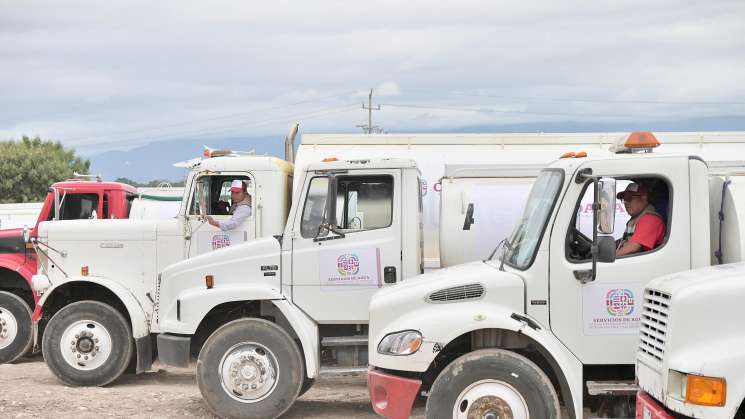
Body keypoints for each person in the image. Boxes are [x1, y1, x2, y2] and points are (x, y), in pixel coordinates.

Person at [616, 182, 665, 256]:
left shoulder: (650, 220)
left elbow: (633, 247)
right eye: (624, 199)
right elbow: (627, 239)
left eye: (629, 198)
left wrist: (609, 258)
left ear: (644, 197)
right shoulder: (637, 218)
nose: (626, 202)